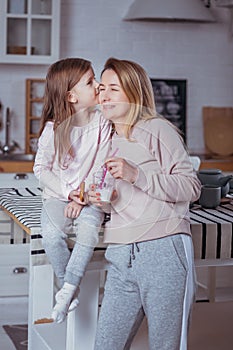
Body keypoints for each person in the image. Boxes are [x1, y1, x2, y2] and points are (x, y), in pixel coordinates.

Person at [88, 57, 201, 350]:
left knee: (167, 345)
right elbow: (119, 201)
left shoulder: (158, 130)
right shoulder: (107, 139)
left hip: (164, 252)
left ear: (134, 92)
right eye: (102, 88)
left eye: (114, 88)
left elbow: (191, 186)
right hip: (122, 255)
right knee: (106, 344)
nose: (104, 95)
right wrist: (101, 199)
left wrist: (137, 174)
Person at [33, 58, 111, 323]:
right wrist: (70, 194)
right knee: (52, 235)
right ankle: (69, 283)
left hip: (90, 197)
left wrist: (82, 196)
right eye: (91, 82)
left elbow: (101, 166)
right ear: (71, 97)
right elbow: (41, 169)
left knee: (88, 231)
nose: (99, 86)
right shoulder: (52, 130)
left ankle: (67, 290)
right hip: (58, 196)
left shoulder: (102, 124)